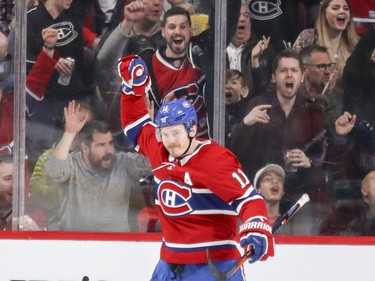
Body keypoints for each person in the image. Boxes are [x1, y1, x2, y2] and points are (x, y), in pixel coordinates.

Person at [118, 54, 274, 280]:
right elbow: (135, 125)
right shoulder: (160, 148)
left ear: (192, 129)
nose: (170, 141)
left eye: (176, 133)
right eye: (165, 133)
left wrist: (256, 224)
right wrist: (132, 89)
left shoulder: (215, 160)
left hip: (213, 264)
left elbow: (249, 199)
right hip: (169, 263)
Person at [44, 101, 152, 232]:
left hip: (119, 245)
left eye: (110, 143)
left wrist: (147, 131)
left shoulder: (123, 161)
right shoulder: (73, 162)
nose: (109, 151)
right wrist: (70, 133)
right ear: (85, 148)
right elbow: (53, 172)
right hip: (76, 245)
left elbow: (155, 164)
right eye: (101, 145)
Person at [26, 0, 96, 168]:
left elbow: (79, 58)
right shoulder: (31, 17)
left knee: (75, 153)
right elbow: (24, 61)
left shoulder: (74, 16)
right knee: (42, 155)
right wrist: (50, 60)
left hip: (73, 96)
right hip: (44, 100)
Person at [148, 6, 209, 137]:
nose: (177, 32)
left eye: (183, 27)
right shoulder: (150, 65)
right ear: (163, 32)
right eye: (172, 27)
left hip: (205, 143)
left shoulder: (202, 56)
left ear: (191, 31)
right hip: (172, 145)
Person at [293, 0, 359, 82]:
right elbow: (293, 68)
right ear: (324, 14)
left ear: (349, 18)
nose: (342, 11)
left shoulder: (357, 44)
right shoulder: (308, 37)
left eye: (346, 9)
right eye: (335, 8)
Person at [226, 1, 273, 96]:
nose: (242, 19)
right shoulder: (217, 49)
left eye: (246, 16)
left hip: (251, 106)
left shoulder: (264, 50)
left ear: (251, 23)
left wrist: (255, 62)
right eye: (238, 15)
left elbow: (265, 92)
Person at [299, 44, 342, 136]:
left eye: (329, 66)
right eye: (321, 66)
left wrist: (324, 97)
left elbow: (333, 133)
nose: (327, 71)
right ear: (305, 69)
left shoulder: (337, 97)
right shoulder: (294, 96)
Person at [0, 154, 45, 231]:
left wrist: (36, 232)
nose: (15, 185)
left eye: (19, 178)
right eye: (8, 179)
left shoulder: (36, 213)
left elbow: (51, 241)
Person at [224, 69, 250, 143]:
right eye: (225, 83)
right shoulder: (216, 112)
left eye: (233, 83)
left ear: (243, 91)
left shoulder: (248, 111)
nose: (228, 86)